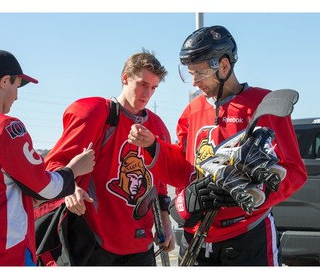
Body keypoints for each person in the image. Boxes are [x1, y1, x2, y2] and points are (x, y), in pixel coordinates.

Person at [128, 25, 307, 266]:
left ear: (224, 66)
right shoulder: (191, 112)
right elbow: (183, 170)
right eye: (189, 73)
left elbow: (294, 171)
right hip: (197, 236)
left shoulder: (266, 105)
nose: (194, 82)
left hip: (248, 236)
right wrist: (153, 147)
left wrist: (253, 193)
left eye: (199, 73)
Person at [0, 49, 95, 266]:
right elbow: (44, 187)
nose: (17, 95)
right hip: (4, 255)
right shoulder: (5, 127)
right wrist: (73, 169)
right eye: (17, 86)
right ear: (5, 81)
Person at [40, 50, 175, 266]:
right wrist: (70, 189)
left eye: (153, 87)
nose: (147, 93)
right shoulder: (97, 114)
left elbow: (158, 184)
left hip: (141, 245)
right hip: (95, 242)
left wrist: (166, 222)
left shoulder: (158, 127)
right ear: (125, 77)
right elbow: (54, 164)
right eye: (142, 84)